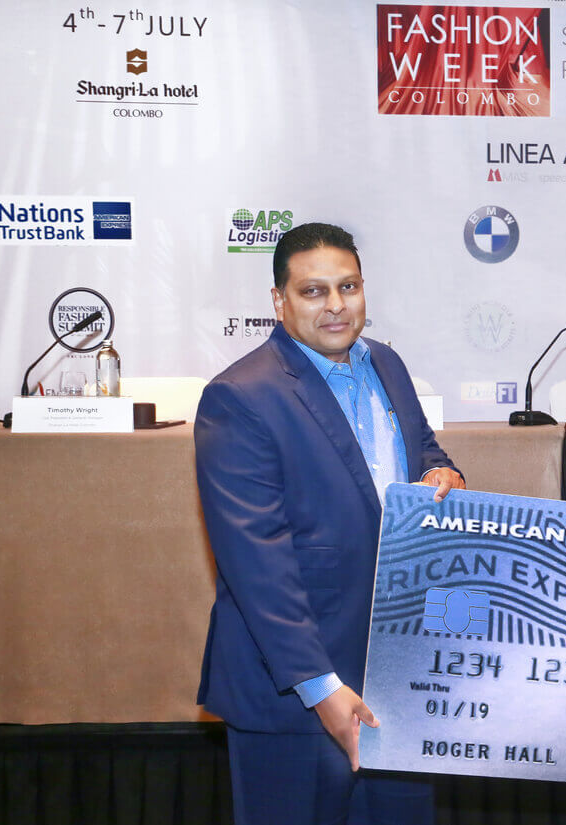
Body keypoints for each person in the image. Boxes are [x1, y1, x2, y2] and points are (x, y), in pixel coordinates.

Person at [194, 222, 464, 825]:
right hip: (294, 691)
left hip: (398, 676)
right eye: (314, 291)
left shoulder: (386, 363)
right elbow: (257, 563)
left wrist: (441, 472)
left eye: (349, 286)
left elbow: (423, 448)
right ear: (279, 301)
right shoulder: (239, 396)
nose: (336, 305)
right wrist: (321, 687)